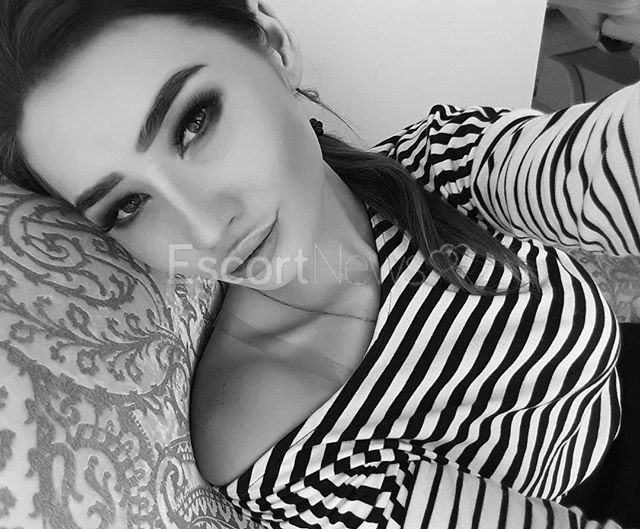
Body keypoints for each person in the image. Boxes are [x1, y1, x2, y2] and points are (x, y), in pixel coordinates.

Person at [0, 1, 635, 527]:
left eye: (193, 123)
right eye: (128, 205)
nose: (204, 229)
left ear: (275, 49)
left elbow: (602, 164)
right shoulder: (277, 442)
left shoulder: (443, 162)